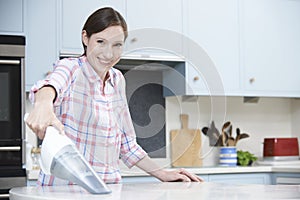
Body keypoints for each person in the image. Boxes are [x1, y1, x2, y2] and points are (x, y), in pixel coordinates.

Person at [26, 7, 202, 185]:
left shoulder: (117, 80)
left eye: (117, 45)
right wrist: (43, 105)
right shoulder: (71, 68)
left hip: (107, 188)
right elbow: (49, 86)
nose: (108, 54)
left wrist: (162, 173)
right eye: (101, 41)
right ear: (85, 38)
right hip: (65, 191)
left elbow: (127, 144)